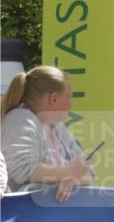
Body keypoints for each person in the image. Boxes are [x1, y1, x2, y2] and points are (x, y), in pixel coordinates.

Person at [1, 65, 94, 201]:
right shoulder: (20, 119)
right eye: (69, 98)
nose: (71, 104)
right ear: (54, 98)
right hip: (23, 215)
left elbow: (89, 172)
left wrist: (72, 180)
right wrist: (68, 173)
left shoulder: (59, 127)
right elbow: (22, 170)